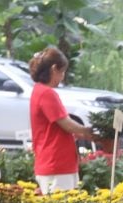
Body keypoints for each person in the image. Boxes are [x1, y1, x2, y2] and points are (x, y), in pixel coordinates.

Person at [28, 47, 94, 194]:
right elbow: (66, 123)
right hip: (56, 163)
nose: (62, 77)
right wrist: (87, 131)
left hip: (52, 162)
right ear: (54, 69)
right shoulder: (47, 93)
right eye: (62, 72)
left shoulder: (38, 90)